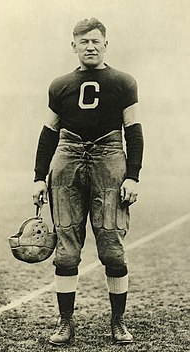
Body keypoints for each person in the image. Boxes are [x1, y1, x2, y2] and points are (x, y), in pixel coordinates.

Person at [33, 18, 144, 346]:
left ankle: (118, 321)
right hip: (67, 160)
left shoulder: (123, 82)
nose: (90, 47)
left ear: (105, 44)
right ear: (74, 46)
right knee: (66, 252)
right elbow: (49, 133)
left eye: (96, 41)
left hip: (109, 159)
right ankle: (65, 322)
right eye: (84, 42)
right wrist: (39, 177)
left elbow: (134, 131)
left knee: (111, 247)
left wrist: (134, 176)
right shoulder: (60, 84)